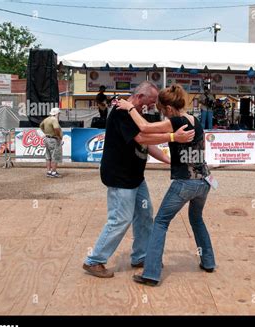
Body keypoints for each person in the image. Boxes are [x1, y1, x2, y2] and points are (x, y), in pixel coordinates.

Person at [82, 81, 195, 278]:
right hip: (120, 177)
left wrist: (168, 160)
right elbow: (142, 139)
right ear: (141, 97)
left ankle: (141, 256)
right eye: (151, 101)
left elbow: (147, 145)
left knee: (144, 215)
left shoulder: (136, 113)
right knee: (120, 218)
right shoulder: (121, 112)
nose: (152, 105)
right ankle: (95, 260)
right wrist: (173, 137)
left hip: (135, 176)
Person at [117, 84, 216, 286]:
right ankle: (208, 261)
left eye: (162, 111)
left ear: (169, 108)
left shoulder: (176, 121)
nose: (162, 115)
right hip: (204, 181)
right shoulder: (194, 120)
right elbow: (152, 136)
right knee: (197, 220)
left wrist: (128, 108)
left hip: (185, 183)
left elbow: (144, 128)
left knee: (160, 223)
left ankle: (151, 274)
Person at [40, 107, 63, 178]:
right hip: (53, 139)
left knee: (48, 156)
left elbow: (41, 126)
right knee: (54, 156)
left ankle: (49, 171)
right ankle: (53, 172)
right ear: (56, 113)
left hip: (47, 138)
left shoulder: (47, 119)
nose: (59, 115)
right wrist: (58, 136)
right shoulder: (54, 119)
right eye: (58, 113)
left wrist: (46, 132)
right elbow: (56, 128)